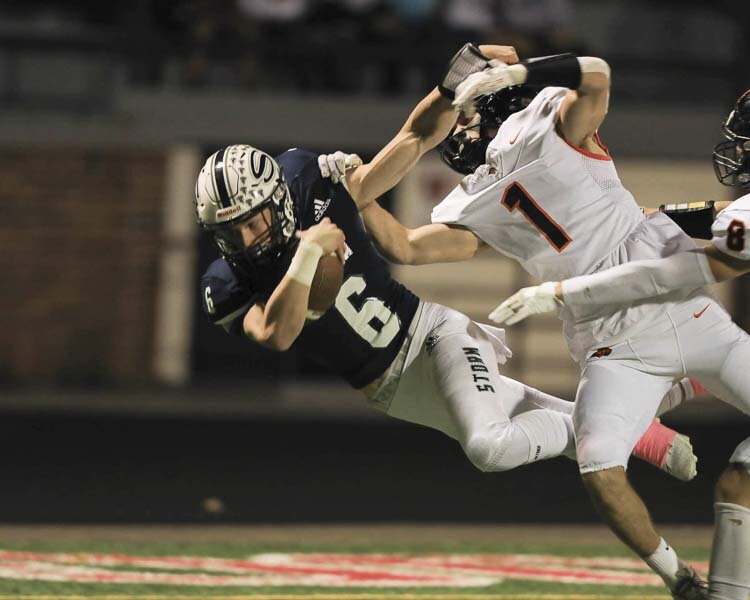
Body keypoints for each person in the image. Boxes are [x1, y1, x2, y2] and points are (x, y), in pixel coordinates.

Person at [195, 46, 695, 504]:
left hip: (431, 333)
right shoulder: (225, 281)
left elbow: (413, 139)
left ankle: (644, 408)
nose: (244, 241)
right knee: (528, 414)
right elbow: (278, 333)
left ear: (277, 199)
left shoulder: (305, 179)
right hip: (387, 387)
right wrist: (311, 251)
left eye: (251, 222)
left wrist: (448, 89)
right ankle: (651, 428)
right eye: (229, 231)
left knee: (490, 446)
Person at [324, 49, 729, 598]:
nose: (458, 131)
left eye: (467, 115)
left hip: (646, 277)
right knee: (599, 463)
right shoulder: (474, 194)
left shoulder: (547, 119)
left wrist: (523, 71)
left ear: (499, 102)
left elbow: (598, 76)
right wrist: (356, 189)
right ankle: (680, 570)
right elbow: (406, 247)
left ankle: (667, 402)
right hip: (596, 321)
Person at [490, 89, 750, 600]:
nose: (738, 145)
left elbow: (686, 271)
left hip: (667, 321)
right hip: (646, 346)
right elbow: (718, 215)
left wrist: (562, 292)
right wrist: (648, 218)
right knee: (739, 485)